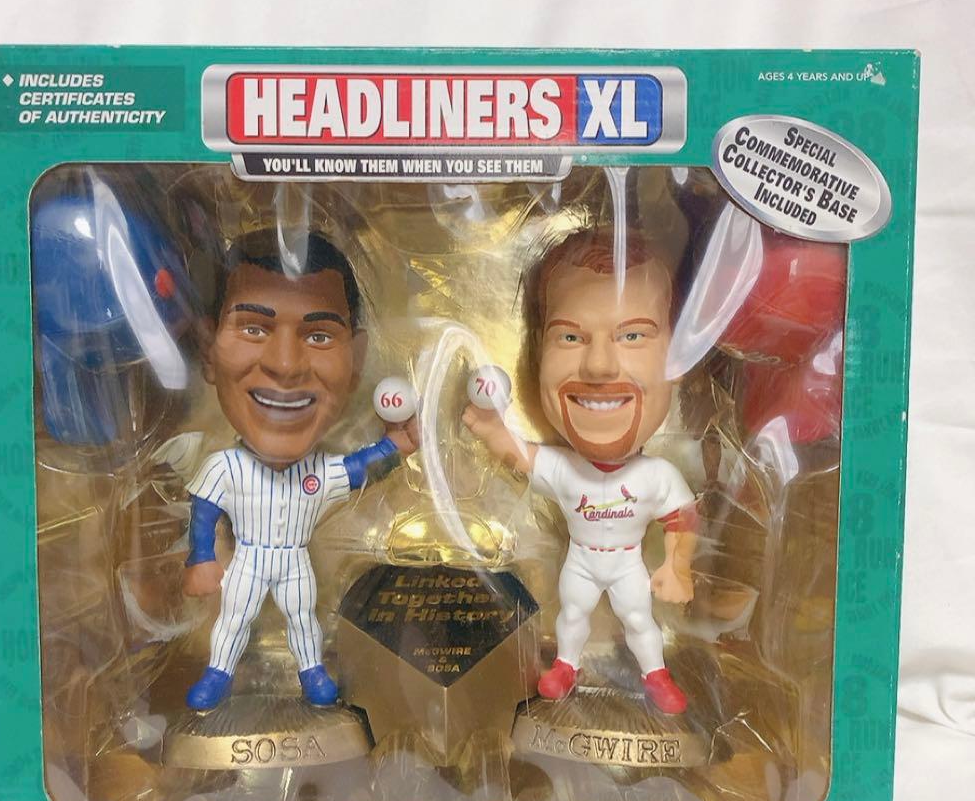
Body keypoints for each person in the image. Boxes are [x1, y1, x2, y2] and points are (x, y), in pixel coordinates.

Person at [182, 230, 418, 710]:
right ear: (208, 349)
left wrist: (396, 446)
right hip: (248, 559)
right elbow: (204, 510)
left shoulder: (317, 472)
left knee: (302, 616)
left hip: (293, 559)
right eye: (254, 328)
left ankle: (312, 673)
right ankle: (217, 674)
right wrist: (201, 557)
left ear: (356, 360)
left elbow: (358, 469)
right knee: (233, 617)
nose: (286, 365)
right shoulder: (226, 466)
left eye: (318, 335)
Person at [464, 228, 697, 713]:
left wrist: (677, 567)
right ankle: (566, 666)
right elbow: (520, 454)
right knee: (572, 614)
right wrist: (488, 426)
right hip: (583, 560)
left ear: (680, 355)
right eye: (570, 337)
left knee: (639, 620)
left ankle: (657, 676)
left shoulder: (656, 476)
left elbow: (681, 517)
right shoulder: (566, 469)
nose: (599, 366)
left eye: (632, 335)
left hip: (628, 561)